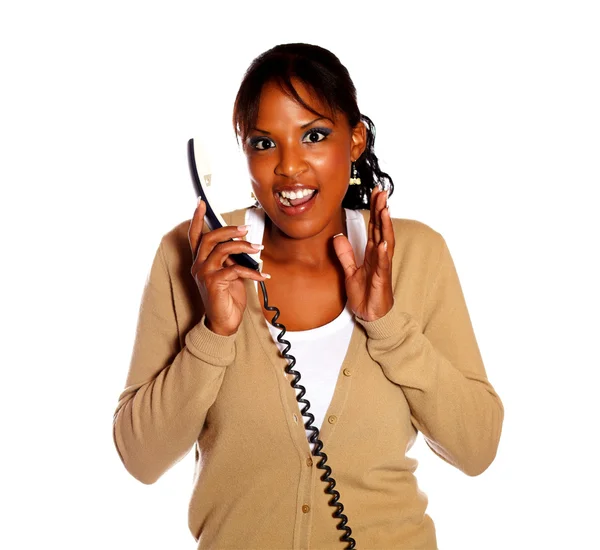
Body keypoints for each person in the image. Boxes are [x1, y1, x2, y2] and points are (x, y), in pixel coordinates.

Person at [113, 43, 504, 550]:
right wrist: (214, 333)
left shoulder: (416, 255)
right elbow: (140, 459)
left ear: (355, 140)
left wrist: (387, 327)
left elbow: (477, 449)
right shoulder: (192, 257)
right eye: (263, 143)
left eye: (314, 136)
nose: (290, 168)